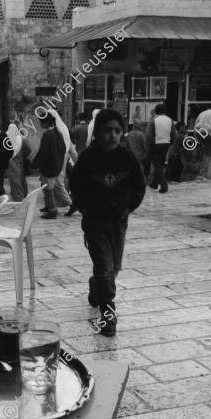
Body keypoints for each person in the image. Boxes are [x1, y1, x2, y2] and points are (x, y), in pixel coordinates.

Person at [70, 109, 145, 336]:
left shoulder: (127, 157)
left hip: (118, 222)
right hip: (95, 223)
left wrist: (129, 208)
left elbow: (139, 186)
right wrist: (84, 209)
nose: (112, 135)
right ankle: (108, 315)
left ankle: (96, 285)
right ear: (97, 133)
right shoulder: (87, 158)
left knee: (114, 268)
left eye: (117, 131)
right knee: (105, 268)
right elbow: (76, 186)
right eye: (107, 131)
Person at [31, 111, 72, 219]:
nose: (40, 125)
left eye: (41, 122)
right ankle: (52, 208)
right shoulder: (59, 133)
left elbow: (43, 152)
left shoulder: (47, 135)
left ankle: (52, 211)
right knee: (52, 187)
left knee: (48, 190)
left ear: (45, 123)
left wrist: (34, 164)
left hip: (49, 167)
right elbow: (63, 150)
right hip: (57, 165)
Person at [146, 104, 176, 193]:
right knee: (160, 165)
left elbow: (148, 135)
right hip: (166, 144)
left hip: (156, 144)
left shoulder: (153, 121)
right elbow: (174, 134)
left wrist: (148, 145)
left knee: (157, 165)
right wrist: (170, 144)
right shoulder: (170, 120)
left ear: (155, 111)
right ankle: (154, 184)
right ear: (164, 111)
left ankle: (164, 186)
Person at [194, 108, 211, 182]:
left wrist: (196, 137)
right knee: (207, 155)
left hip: (199, 133)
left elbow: (196, 124)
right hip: (209, 135)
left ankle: (196, 172)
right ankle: (201, 176)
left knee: (201, 151)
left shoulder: (202, 113)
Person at [6, 123, 29, 202]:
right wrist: (23, 155)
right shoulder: (21, 139)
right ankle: (21, 195)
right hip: (19, 163)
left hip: (10, 163)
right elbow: (29, 149)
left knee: (14, 182)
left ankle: (17, 197)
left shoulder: (5, 138)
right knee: (20, 180)